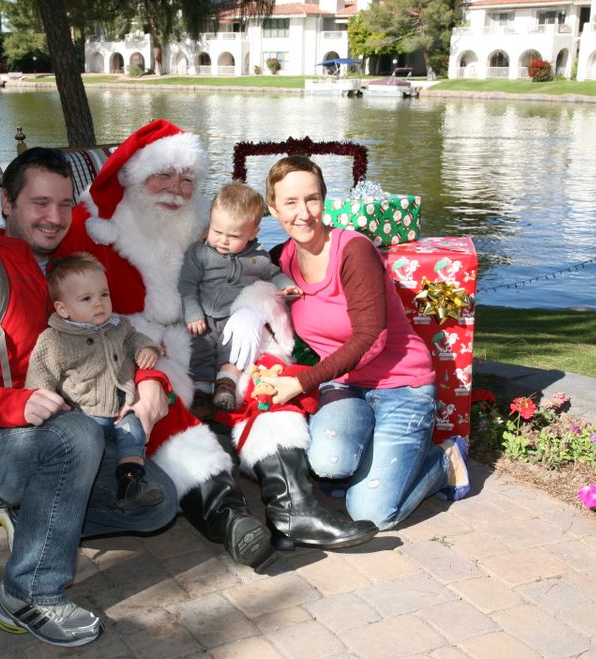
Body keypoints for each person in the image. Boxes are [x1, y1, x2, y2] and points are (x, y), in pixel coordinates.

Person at [52, 119, 379, 557]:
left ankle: (292, 508)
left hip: (208, 337)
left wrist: (252, 306)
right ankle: (228, 517)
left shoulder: (206, 223)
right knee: (157, 397)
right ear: (134, 176)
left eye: (187, 180)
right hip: (130, 344)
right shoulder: (91, 224)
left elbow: (252, 269)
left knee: (266, 372)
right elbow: (46, 270)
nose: (175, 189)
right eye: (163, 174)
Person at [0, 147, 179, 649]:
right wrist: (13, 405)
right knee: (76, 434)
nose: (54, 218)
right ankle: (28, 594)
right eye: (39, 203)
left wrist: (150, 382)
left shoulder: (67, 272)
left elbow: (114, 340)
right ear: (6, 202)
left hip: (59, 436)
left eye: (64, 205)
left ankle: (36, 522)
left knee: (156, 505)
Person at [255, 155, 471, 531]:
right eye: (289, 202)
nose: (303, 213)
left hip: (403, 384)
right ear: (273, 208)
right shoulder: (280, 262)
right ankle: (370, 453)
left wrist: (302, 382)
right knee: (329, 464)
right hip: (346, 385)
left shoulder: (354, 251)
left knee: (372, 514)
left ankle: (443, 461)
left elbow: (371, 339)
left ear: (324, 201)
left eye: (312, 199)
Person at [26, 252, 165, 510]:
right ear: (62, 309)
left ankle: (130, 483)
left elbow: (135, 339)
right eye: (86, 299)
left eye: (104, 294)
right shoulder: (55, 340)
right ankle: (76, 494)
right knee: (87, 450)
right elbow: (40, 375)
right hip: (85, 413)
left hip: (122, 407)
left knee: (133, 434)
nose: (99, 303)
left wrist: (147, 349)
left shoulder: (118, 326)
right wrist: (44, 403)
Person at [178, 182, 300, 411]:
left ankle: (226, 385)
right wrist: (193, 312)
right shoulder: (200, 253)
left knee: (235, 351)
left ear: (253, 233)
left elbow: (274, 274)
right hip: (204, 317)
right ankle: (202, 394)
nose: (223, 240)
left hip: (234, 319)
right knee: (199, 349)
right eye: (217, 231)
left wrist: (287, 285)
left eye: (233, 236)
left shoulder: (259, 258)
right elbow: (187, 284)